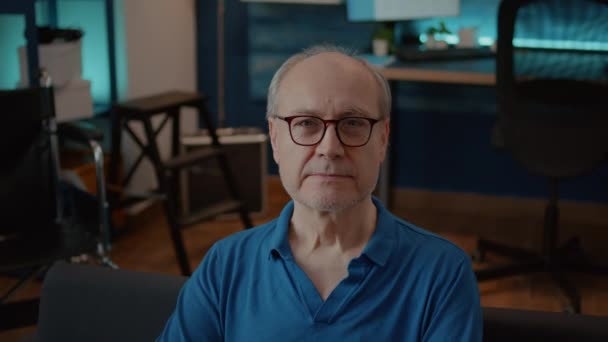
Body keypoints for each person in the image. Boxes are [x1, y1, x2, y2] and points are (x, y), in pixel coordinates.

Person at [158, 45, 482, 341]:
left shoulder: (442, 273)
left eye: (353, 123)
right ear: (275, 138)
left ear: (383, 139)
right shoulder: (225, 265)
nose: (330, 148)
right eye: (306, 123)